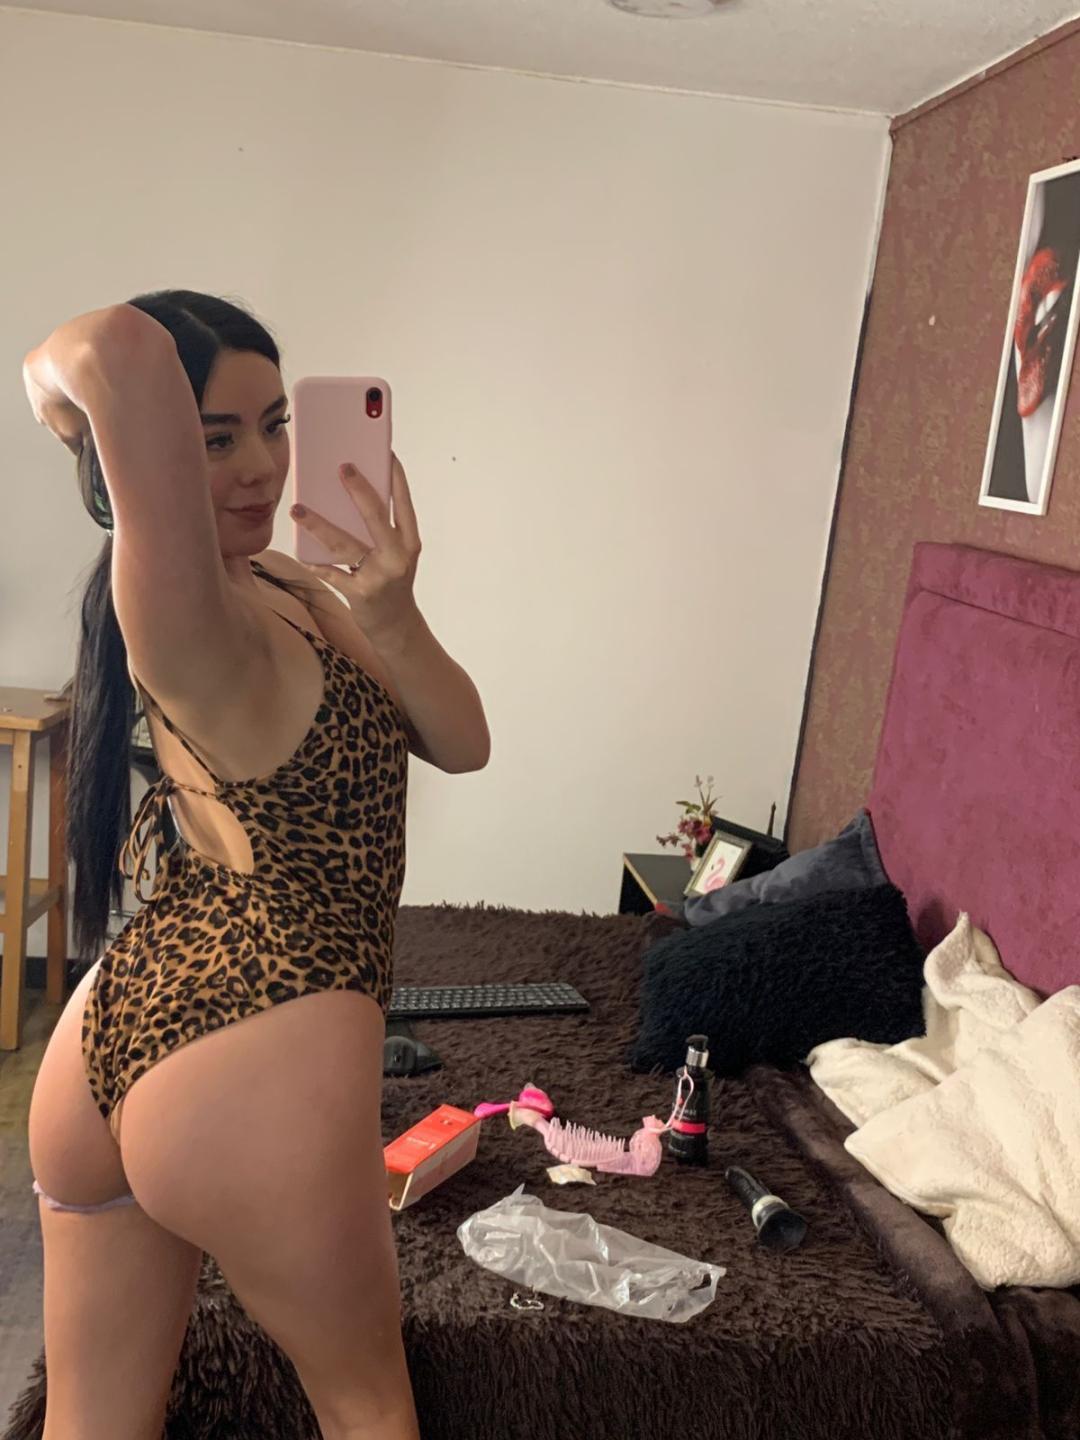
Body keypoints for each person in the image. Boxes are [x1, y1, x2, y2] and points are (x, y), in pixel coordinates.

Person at [22, 291, 490, 1440]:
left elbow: (462, 741)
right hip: (260, 1026)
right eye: (215, 437)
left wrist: (395, 610)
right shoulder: (180, 606)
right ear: (151, 448)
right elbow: (113, 347)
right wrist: (65, 412)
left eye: (275, 424)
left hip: (130, 1011)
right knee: (369, 1408)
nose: (262, 466)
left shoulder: (289, 581)